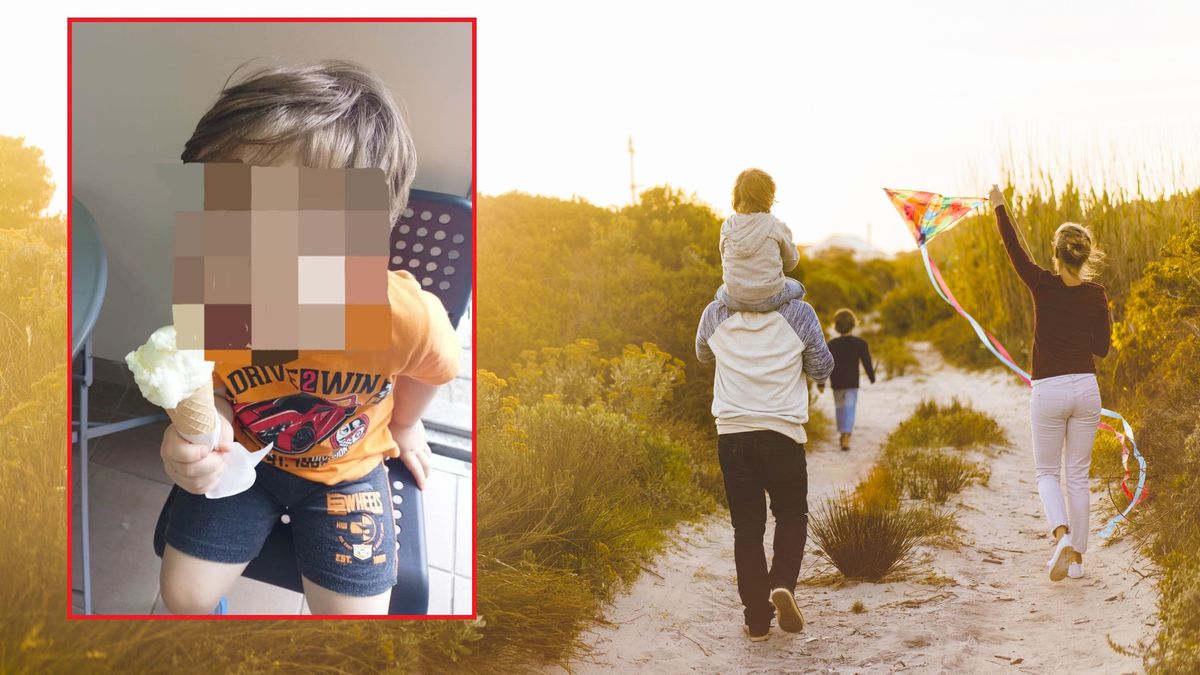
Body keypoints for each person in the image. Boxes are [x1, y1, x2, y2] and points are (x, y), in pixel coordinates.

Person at [157, 61, 461, 615]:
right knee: (184, 594)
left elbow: (435, 367)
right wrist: (204, 435)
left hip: (350, 469)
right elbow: (212, 384)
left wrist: (406, 423)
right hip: (247, 456)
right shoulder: (221, 290)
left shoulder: (402, 317)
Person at [989, 184, 1111, 582]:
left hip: (1049, 390)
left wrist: (1000, 207)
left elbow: (1014, 251)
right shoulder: (1097, 294)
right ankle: (1077, 561)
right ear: (1086, 256)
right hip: (1086, 389)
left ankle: (1061, 536)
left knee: (1046, 473)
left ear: (1055, 254)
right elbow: (1102, 348)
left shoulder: (1041, 283)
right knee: (1077, 476)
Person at [696, 293, 834, 641]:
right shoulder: (800, 312)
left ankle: (757, 621)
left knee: (747, 528)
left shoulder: (715, 312)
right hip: (782, 435)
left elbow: (703, 354)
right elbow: (822, 368)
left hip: (733, 435)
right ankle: (782, 583)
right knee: (791, 515)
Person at [715, 168, 806, 312]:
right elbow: (790, 264)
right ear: (768, 196)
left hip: (733, 299)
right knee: (799, 288)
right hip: (769, 299)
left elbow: (724, 262)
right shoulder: (775, 225)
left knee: (720, 292)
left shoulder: (727, 226)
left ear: (737, 195)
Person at [820, 308, 875, 451]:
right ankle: (846, 435)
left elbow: (825, 364)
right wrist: (872, 377)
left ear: (836, 326)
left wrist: (821, 382)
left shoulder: (831, 344)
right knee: (849, 408)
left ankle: (842, 432)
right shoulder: (860, 343)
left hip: (837, 383)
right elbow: (867, 362)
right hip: (852, 383)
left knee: (840, 408)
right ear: (853, 324)